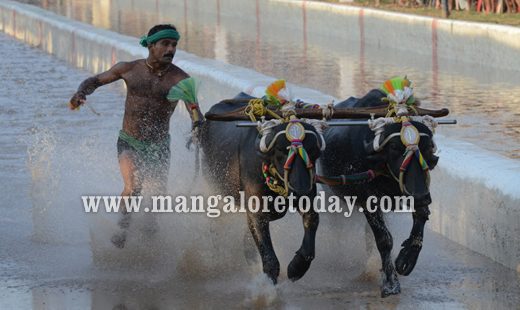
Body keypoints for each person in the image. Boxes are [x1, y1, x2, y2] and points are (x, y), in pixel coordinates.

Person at [69, 24, 204, 248]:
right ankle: (121, 230)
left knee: (156, 203)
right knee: (133, 186)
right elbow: (95, 80)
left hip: (159, 145)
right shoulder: (129, 69)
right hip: (129, 141)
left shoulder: (181, 80)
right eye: (165, 44)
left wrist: (198, 125)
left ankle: (148, 244)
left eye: (174, 45)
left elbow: (194, 109)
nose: (171, 49)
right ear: (151, 45)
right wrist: (81, 93)